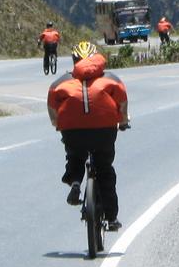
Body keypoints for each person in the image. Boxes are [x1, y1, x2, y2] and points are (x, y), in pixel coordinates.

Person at [47, 41, 130, 231]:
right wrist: (123, 121)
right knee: (105, 169)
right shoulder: (111, 78)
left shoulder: (60, 82)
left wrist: (57, 124)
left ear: (74, 60)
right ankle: (111, 218)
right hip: (104, 132)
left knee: (75, 156)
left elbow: (52, 106)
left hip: (73, 132)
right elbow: (122, 102)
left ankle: (75, 182)